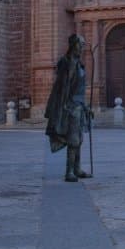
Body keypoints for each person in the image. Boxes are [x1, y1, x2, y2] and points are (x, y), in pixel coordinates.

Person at [45, 34, 93, 182]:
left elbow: (79, 89)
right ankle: (69, 172)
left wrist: (86, 107)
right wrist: (64, 106)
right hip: (70, 107)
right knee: (73, 140)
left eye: (84, 44)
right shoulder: (66, 63)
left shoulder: (79, 63)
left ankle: (77, 169)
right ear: (74, 44)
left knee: (79, 139)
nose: (83, 47)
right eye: (81, 44)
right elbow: (62, 87)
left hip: (79, 106)